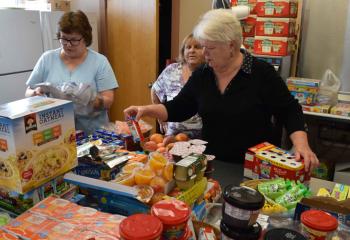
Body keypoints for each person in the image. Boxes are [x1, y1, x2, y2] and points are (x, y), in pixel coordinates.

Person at [124, 9, 318, 172]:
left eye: (210, 48)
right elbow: (178, 107)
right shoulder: (203, 74)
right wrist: (145, 110)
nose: (204, 54)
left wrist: (302, 145)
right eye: (202, 47)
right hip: (213, 164)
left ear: (231, 46)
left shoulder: (261, 73)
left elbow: (289, 110)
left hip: (254, 167)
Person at [25, 10, 118, 135]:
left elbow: (108, 101)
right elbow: (27, 92)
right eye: (64, 39)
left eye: (74, 40)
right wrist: (36, 93)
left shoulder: (100, 62)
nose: (68, 45)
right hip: (55, 132)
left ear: (85, 38)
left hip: (93, 134)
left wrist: (89, 99)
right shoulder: (47, 59)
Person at [151, 34, 204, 141]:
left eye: (197, 47)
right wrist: (160, 117)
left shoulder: (210, 72)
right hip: (172, 137)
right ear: (183, 51)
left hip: (201, 140)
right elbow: (155, 90)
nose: (192, 50)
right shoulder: (171, 70)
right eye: (188, 47)